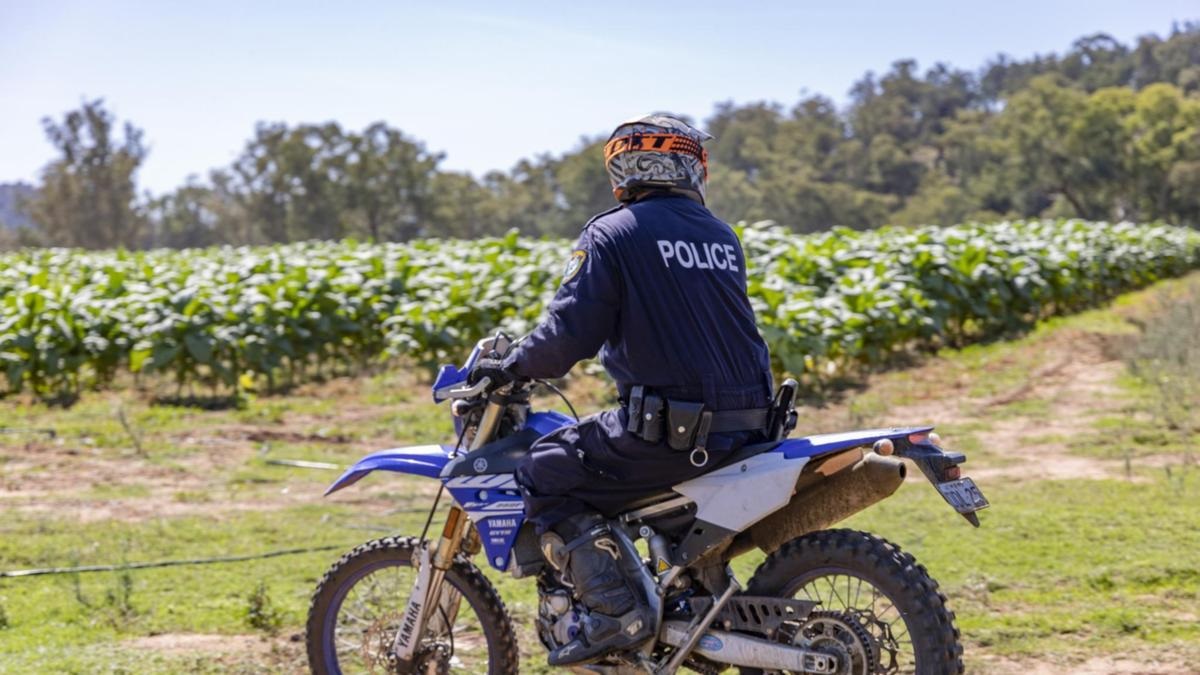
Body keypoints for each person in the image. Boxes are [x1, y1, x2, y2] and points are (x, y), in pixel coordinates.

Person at [472, 113, 774, 666]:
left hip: (676, 434)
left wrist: (512, 366)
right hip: (754, 426)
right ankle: (688, 591)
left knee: (547, 468)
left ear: (626, 167)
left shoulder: (612, 232)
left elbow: (568, 335)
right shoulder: (720, 234)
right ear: (684, 165)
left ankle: (616, 614)